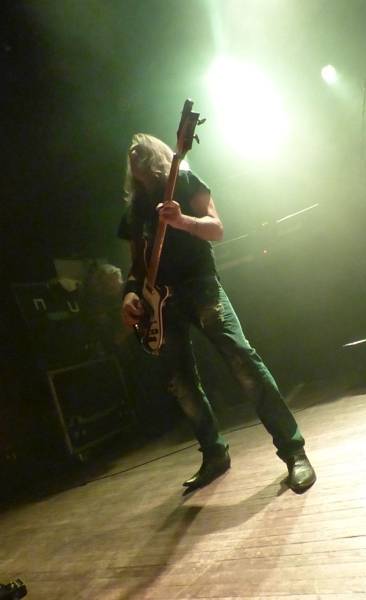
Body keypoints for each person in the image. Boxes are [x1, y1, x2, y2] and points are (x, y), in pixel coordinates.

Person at [118, 133, 316, 494]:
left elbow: (217, 229)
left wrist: (182, 221)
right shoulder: (134, 211)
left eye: (142, 150)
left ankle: (293, 451)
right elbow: (137, 264)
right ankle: (214, 454)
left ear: (158, 153)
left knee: (242, 360)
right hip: (161, 302)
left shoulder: (185, 181)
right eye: (131, 155)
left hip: (200, 286)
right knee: (181, 383)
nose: (135, 156)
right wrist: (130, 293)